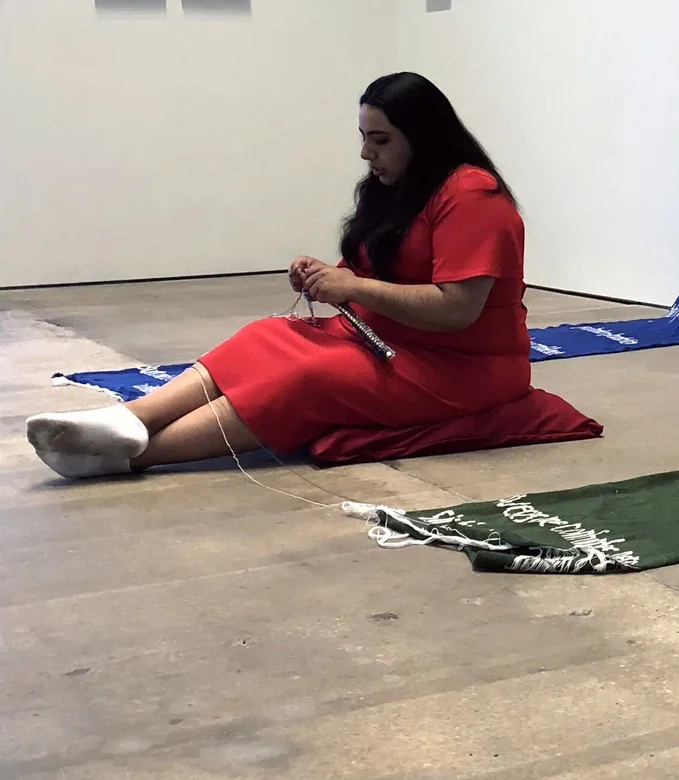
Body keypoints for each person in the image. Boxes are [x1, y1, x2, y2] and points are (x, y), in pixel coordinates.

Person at [26, 73, 601, 479]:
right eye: (364, 138)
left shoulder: (472, 195)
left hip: (462, 371)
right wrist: (332, 274)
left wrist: (350, 287)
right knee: (266, 338)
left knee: (307, 380)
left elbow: (457, 308)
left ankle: (132, 456)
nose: (365, 154)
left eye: (380, 140)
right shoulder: (398, 188)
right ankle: (128, 421)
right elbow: (381, 269)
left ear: (420, 138)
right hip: (396, 344)